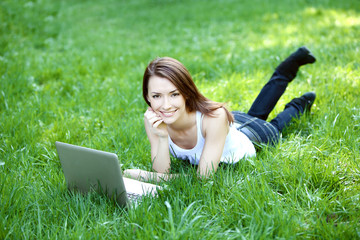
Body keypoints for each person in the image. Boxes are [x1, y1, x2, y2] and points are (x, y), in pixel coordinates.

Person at [124, 46, 316, 181]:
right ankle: (289, 66)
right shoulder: (153, 120)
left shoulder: (214, 117)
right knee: (257, 112)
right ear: (147, 97)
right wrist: (162, 136)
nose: (165, 105)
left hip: (253, 136)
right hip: (230, 126)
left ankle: (299, 104)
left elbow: (203, 179)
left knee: (273, 127)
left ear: (186, 92)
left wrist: (147, 176)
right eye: (157, 96)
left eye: (174, 94)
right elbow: (162, 172)